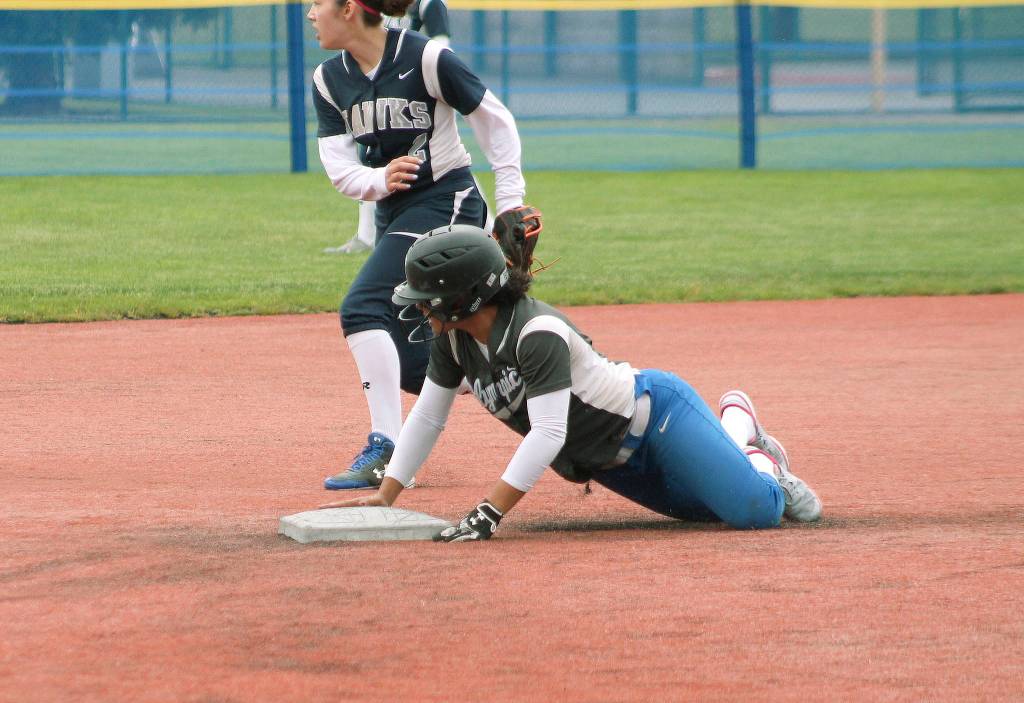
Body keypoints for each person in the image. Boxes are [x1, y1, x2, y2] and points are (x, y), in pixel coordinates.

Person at [320, 225, 823, 540]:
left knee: (756, 510)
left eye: (428, 298)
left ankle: (753, 445)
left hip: (658, 421)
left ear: (465, 299)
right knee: (709, 516)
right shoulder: (455, 341)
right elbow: (429, 416)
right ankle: (739, 440)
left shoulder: (536, 332)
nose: (420, 308)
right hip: (610, 464)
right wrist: (388, 494)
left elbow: (548, 433)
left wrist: (489, 512)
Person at [307, 0, 533, 490]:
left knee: (362, 308)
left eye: (318, 3)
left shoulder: (426, 58)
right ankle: (512, 370)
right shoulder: (329, 80)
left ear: (349, 9)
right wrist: (378, 178)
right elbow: (339, 169)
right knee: (417, 365)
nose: (309, 12)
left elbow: (496, 120)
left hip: (447, 201)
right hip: (396, 211)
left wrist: (511, 203)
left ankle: (385, 449)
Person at [322, 0, 493, 255]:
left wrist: (434, 79)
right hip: (388, 86)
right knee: (374, 158)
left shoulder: (428, 4)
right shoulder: (373, 7)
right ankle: (366, 235)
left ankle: (488, 228)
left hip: (424, 87)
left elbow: (441, 44)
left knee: (444, 163)